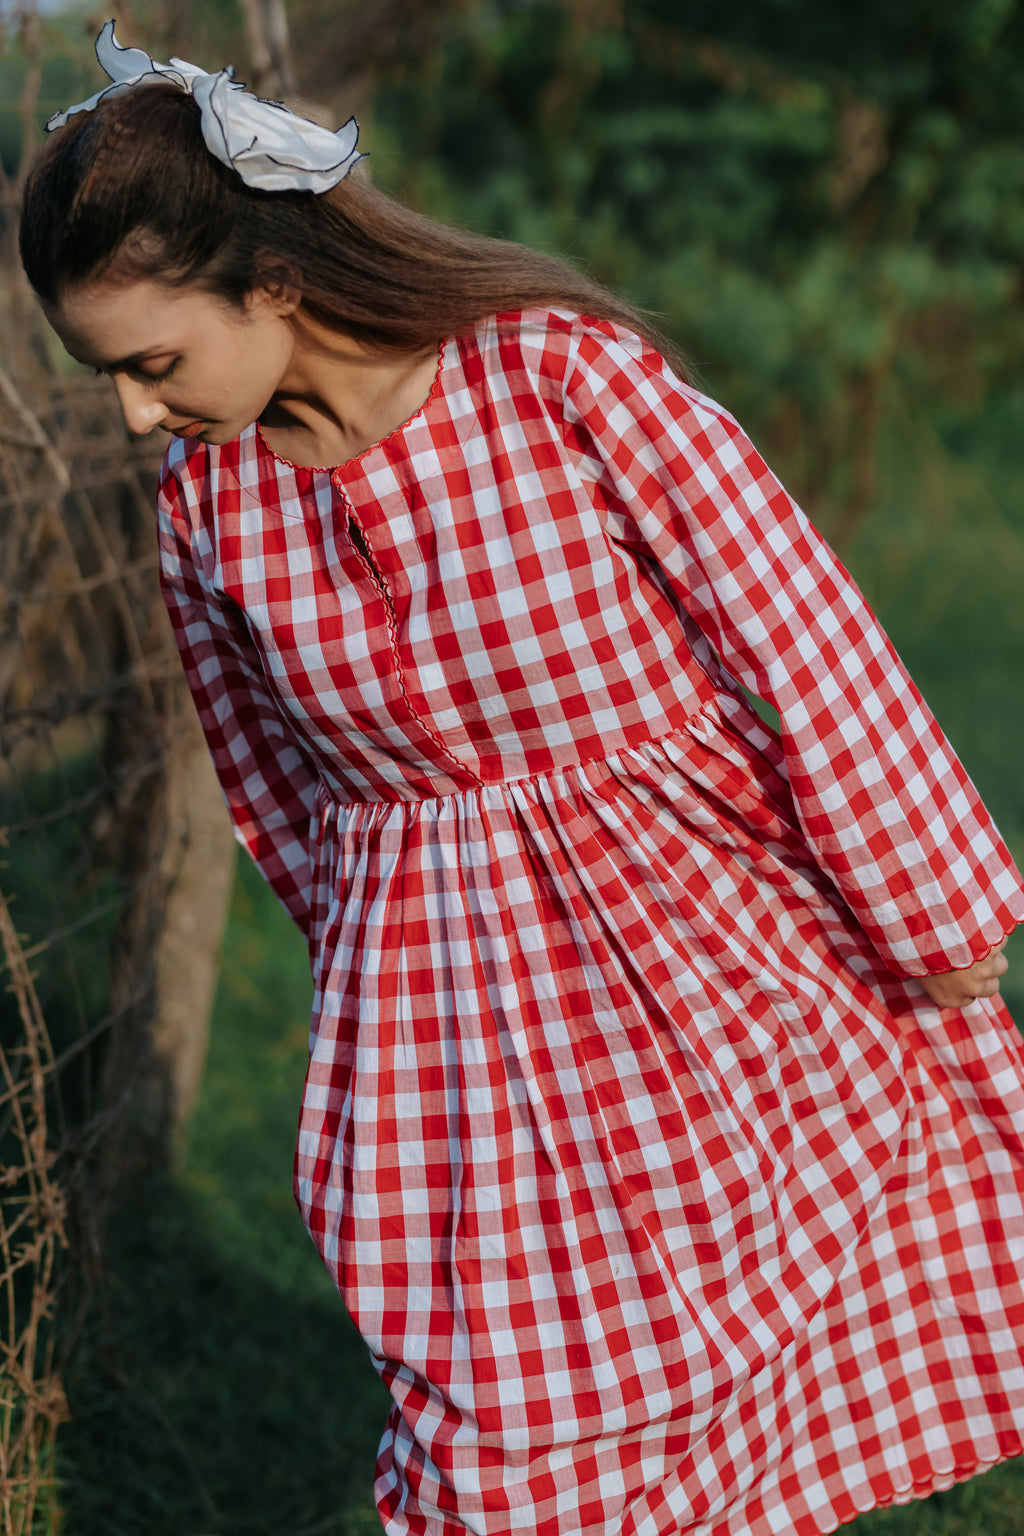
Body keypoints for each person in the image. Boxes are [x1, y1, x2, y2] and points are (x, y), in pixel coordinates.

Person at [21, 22, 1024, 1536]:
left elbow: (805, 643)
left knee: (758, 1345)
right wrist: (379, 983)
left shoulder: (555, 379)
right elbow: (278, 801)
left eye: (153, 364)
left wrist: (934, 915)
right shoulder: (209, 510)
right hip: (453, 1051)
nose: (138, 414)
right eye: (109, 379)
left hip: (717, 974)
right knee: (501, 1444)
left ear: (273, 281)